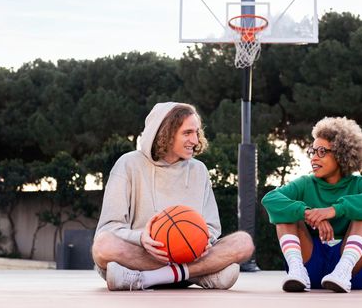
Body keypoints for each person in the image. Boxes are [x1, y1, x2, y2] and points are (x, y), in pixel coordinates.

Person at [92, 102, 254, 291]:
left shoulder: (199, 170)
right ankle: (192, 275)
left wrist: (200, 244)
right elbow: (109, 228)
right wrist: (141, 238)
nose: (195, 140)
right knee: (103, 246)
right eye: (187, 133)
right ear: (165, 134)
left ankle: (148, 279)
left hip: (191, 256)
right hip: (145, 255)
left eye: (196, 132)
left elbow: (211, 226)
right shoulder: (128, 164)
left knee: (243, 242)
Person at [261, 117, 362, 293]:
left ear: (341, 153)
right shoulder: (305, 183)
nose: (314, 158)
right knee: (287, 211)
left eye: (322, 151)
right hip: (310, 266)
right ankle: (297, 270)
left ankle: (342, 271)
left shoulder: (358, 184)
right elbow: (270, 199)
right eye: (312, 151)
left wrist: (334, 210)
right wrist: (308, 213)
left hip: (354, 271)